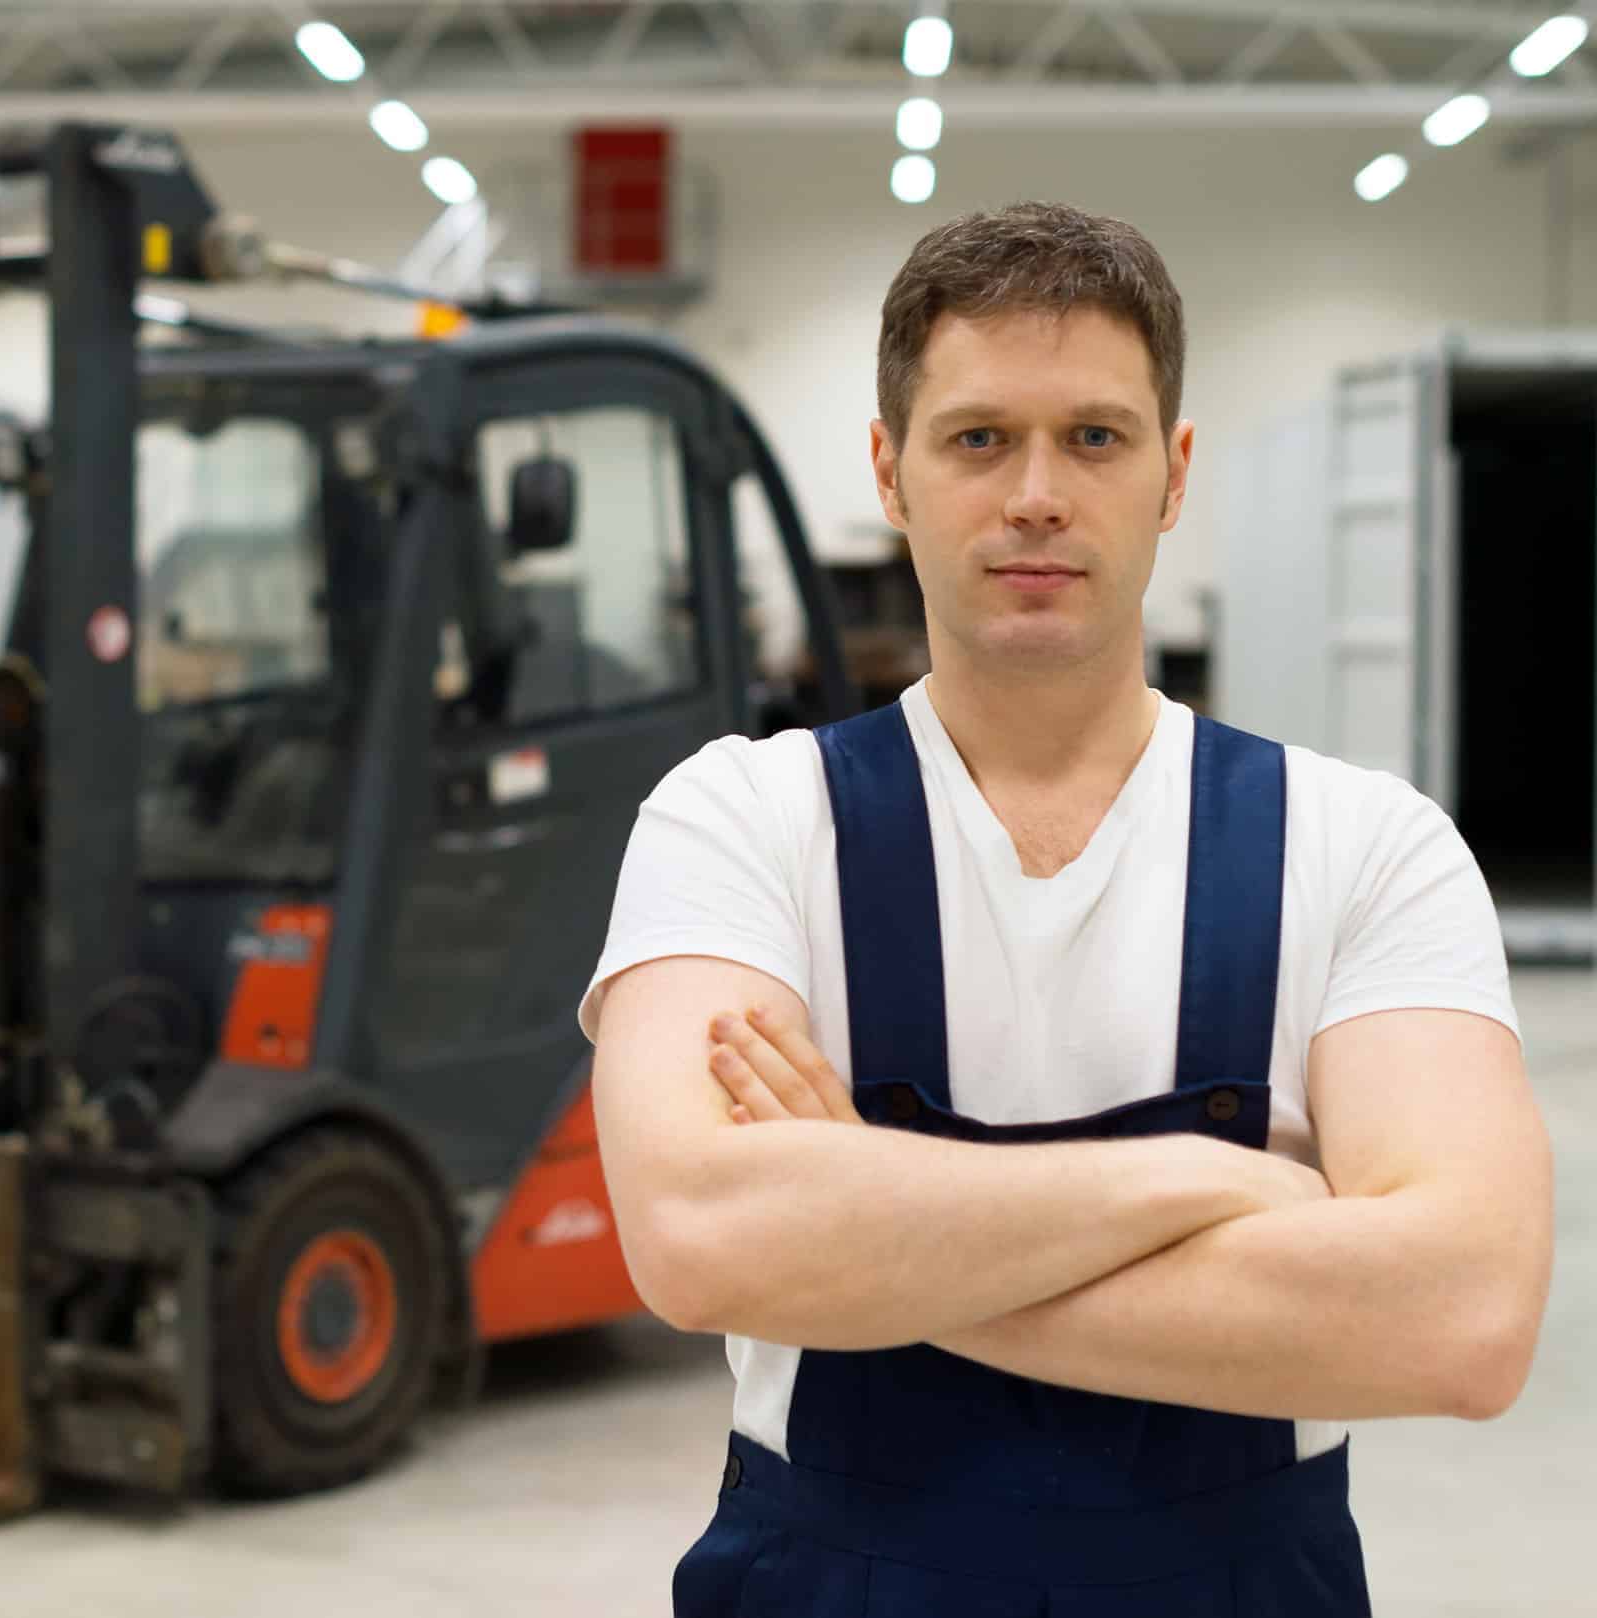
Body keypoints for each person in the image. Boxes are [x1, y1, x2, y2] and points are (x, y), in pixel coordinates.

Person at [578, 202, 1554, 1617]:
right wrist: (1214, 1183)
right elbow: (699, 1242)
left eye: (1095, 436)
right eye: (979, 438)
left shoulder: (1364, 848)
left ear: (1173, 475)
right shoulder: (741, 820)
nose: (1037, 493)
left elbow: (1461, 1320)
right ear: (890, 472)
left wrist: (862, 1219)